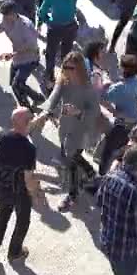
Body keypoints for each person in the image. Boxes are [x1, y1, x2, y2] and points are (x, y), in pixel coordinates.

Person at [0, 107, 47, 261]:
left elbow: (22, 128)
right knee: (23, 220)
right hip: (18, 188)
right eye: (31, 119)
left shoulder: (3, 136)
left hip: (1, 183)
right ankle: (15, 252)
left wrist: (34, 121)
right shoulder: (29, 148)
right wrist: (35, 193)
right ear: (28, 123)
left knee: (4, 212)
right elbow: (28, 177)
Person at [42, 52, 99, 211]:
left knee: (71, 162)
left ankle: (72, 196)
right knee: (71, 156)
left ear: (79, 69)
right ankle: (90, 172)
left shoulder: (88, 89)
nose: (65, 69)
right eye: (64, 66)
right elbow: (53, 98)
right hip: (65, 127)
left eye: (69, 67)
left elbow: (94, 112)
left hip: (80, 131)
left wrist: (78, 112)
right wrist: (43, 113)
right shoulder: (64, 81)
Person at [97, 143, 137, 275]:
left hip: (106, 239)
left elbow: (99, 201)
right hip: (125, 250)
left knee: (117, 272)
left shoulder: (108, 177)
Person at [0, 0, 46, 111]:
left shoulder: (26, 26)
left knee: (17, 84)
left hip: (30, 59)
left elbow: (31, 47)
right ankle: (36, 98)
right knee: (14, 83)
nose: (4, 17)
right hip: (17, 58)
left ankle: (26, 110)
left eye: (6, 14)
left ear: (13, 13)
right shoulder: (6, 20)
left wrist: (13, 54)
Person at [98, 54, 137, 176]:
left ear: (124, 69)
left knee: (108, 150)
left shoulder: (117, 88)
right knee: (124, 148)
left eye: (120, 65)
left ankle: (102, 175)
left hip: (123, 124)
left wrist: (114, 112)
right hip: (136, 121)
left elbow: (102, 99)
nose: (118, 66)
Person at [37, 0, 79, 91]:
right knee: (67, 54)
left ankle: (50, 77)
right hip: (71, 26)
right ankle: (67, 78)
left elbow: (41, 12)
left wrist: (48, 21)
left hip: (55, 27)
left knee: (50, 54)